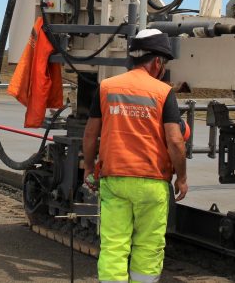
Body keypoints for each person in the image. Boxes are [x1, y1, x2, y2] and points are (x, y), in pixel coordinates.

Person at [82, 29, 188, 283]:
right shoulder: (163, 92)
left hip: (114, 180)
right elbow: (175, 140)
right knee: (148, 246)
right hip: (152, 182)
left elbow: (90, 135)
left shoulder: (106, 87)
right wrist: (181, 178)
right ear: (156, 62)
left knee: (114, 245)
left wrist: (88, 168)